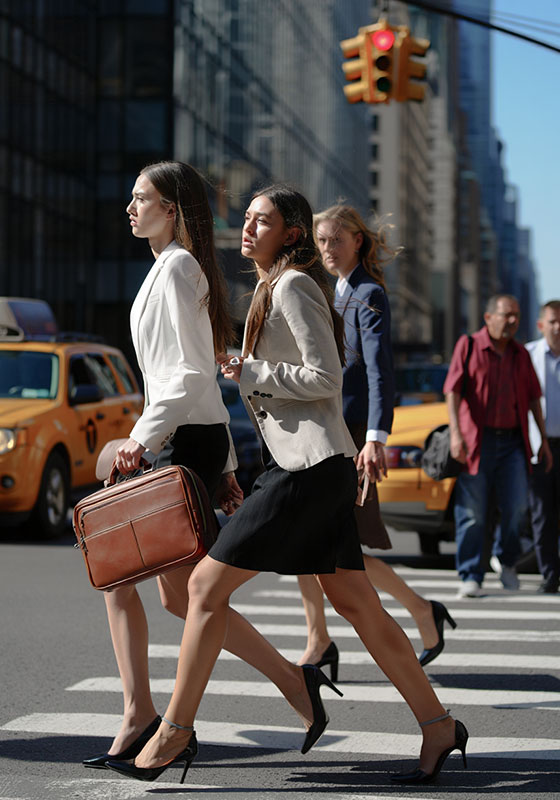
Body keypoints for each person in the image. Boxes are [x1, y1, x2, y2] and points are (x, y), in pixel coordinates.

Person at [107, 185, 467, 786]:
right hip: (308, 466)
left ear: (290, 234)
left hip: (308, 470)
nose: (248, 228)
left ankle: (174, 730)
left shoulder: (295, 285)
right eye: (247, 218)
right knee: (359, 606)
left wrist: (252, 370)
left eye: (262, 221)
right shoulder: (269, 287)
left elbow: (326, 377)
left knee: (203, 587)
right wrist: (244, 375)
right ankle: (438, 725)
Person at [83, 162, 334, 771]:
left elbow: (194, 374)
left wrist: (145, 439)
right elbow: (193, 378)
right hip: (180, 438)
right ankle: (142, 713)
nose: (130, 207)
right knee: (135, 583)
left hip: (175, 443)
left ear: (171, 209)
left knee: (179, 591)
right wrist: (223, 462)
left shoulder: (178, 268)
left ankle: (278, 684)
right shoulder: (167, 267)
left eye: (140, 198)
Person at [296, 205, 457, 676]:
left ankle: (415, 610)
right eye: (322, 240)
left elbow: (378, 371)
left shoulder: (368, 293)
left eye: (336, 239)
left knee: (335, 546)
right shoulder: (335, 291)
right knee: (309, 539)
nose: (327, 248)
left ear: (357, 241)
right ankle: (323, 636)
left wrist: (375, 437)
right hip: (324, 431)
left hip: (349, 437)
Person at [444, 294, 552, 599]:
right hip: (477, 442)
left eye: (516, 315)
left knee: (517, 508)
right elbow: (452, 391)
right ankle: (470, 575)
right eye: (507, 315)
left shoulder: (521, 353)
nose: (513, 321)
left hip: (514, 442)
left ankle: (506, 561)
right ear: (489, 318)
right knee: (473, 513)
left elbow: (534, 398)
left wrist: (542, 440)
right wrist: (455, 435)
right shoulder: (468, 346)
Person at [526, 300, 560, 594]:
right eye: (553, 321)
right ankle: (549, 574)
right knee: (542, 513)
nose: (558, 327)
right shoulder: (527, 355)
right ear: (541, 325)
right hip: (540, 446)